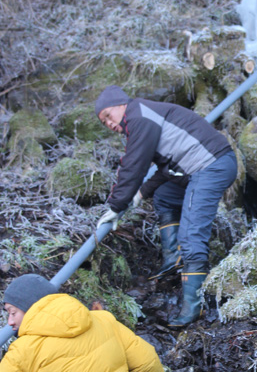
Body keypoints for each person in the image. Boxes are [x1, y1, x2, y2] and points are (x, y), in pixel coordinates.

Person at [94, 85, 237, 327]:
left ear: (121, 105)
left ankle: (195, 307)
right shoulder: (145, 114)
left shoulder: (138, 116)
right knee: (164, 196)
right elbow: (166, 168)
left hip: (210, 166)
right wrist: (140, 194)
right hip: (202, 166)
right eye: (103, 121)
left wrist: (116, 205)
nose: (108, 123)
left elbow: (133, 165)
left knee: (191, 234)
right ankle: (174, 258)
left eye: (108, 115)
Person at [0, 274, 163, 371]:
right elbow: (147, 360)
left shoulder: (22, 351)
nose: (10, 322)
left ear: (31, 307)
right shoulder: (103, 319)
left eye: (13, 312)